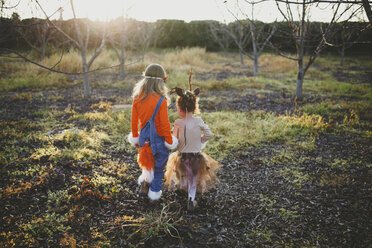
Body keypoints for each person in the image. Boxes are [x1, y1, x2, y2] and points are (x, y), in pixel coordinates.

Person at [164, 87, 220, 210]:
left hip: (182, 156)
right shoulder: (198, 120)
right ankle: (191, 199)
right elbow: (208, 134)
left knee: (180, 172)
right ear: (194, 107)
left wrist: (176, 138)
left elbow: (175, 138)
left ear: (180, 107)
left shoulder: (178, 122)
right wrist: (200, 141)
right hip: (195, 156)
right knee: (194, 180)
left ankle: (183, 185)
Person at [128, 63, 178, 201]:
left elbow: (134, 121)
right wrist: (169, 140)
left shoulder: (138, 97)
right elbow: (164, 124)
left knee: (147, 161)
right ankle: (154, 194)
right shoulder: (161, 100)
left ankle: (145, 183)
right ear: (162, 80)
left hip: (144, 137)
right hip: (158, 139)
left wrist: (135, 136)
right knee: (158, 166)